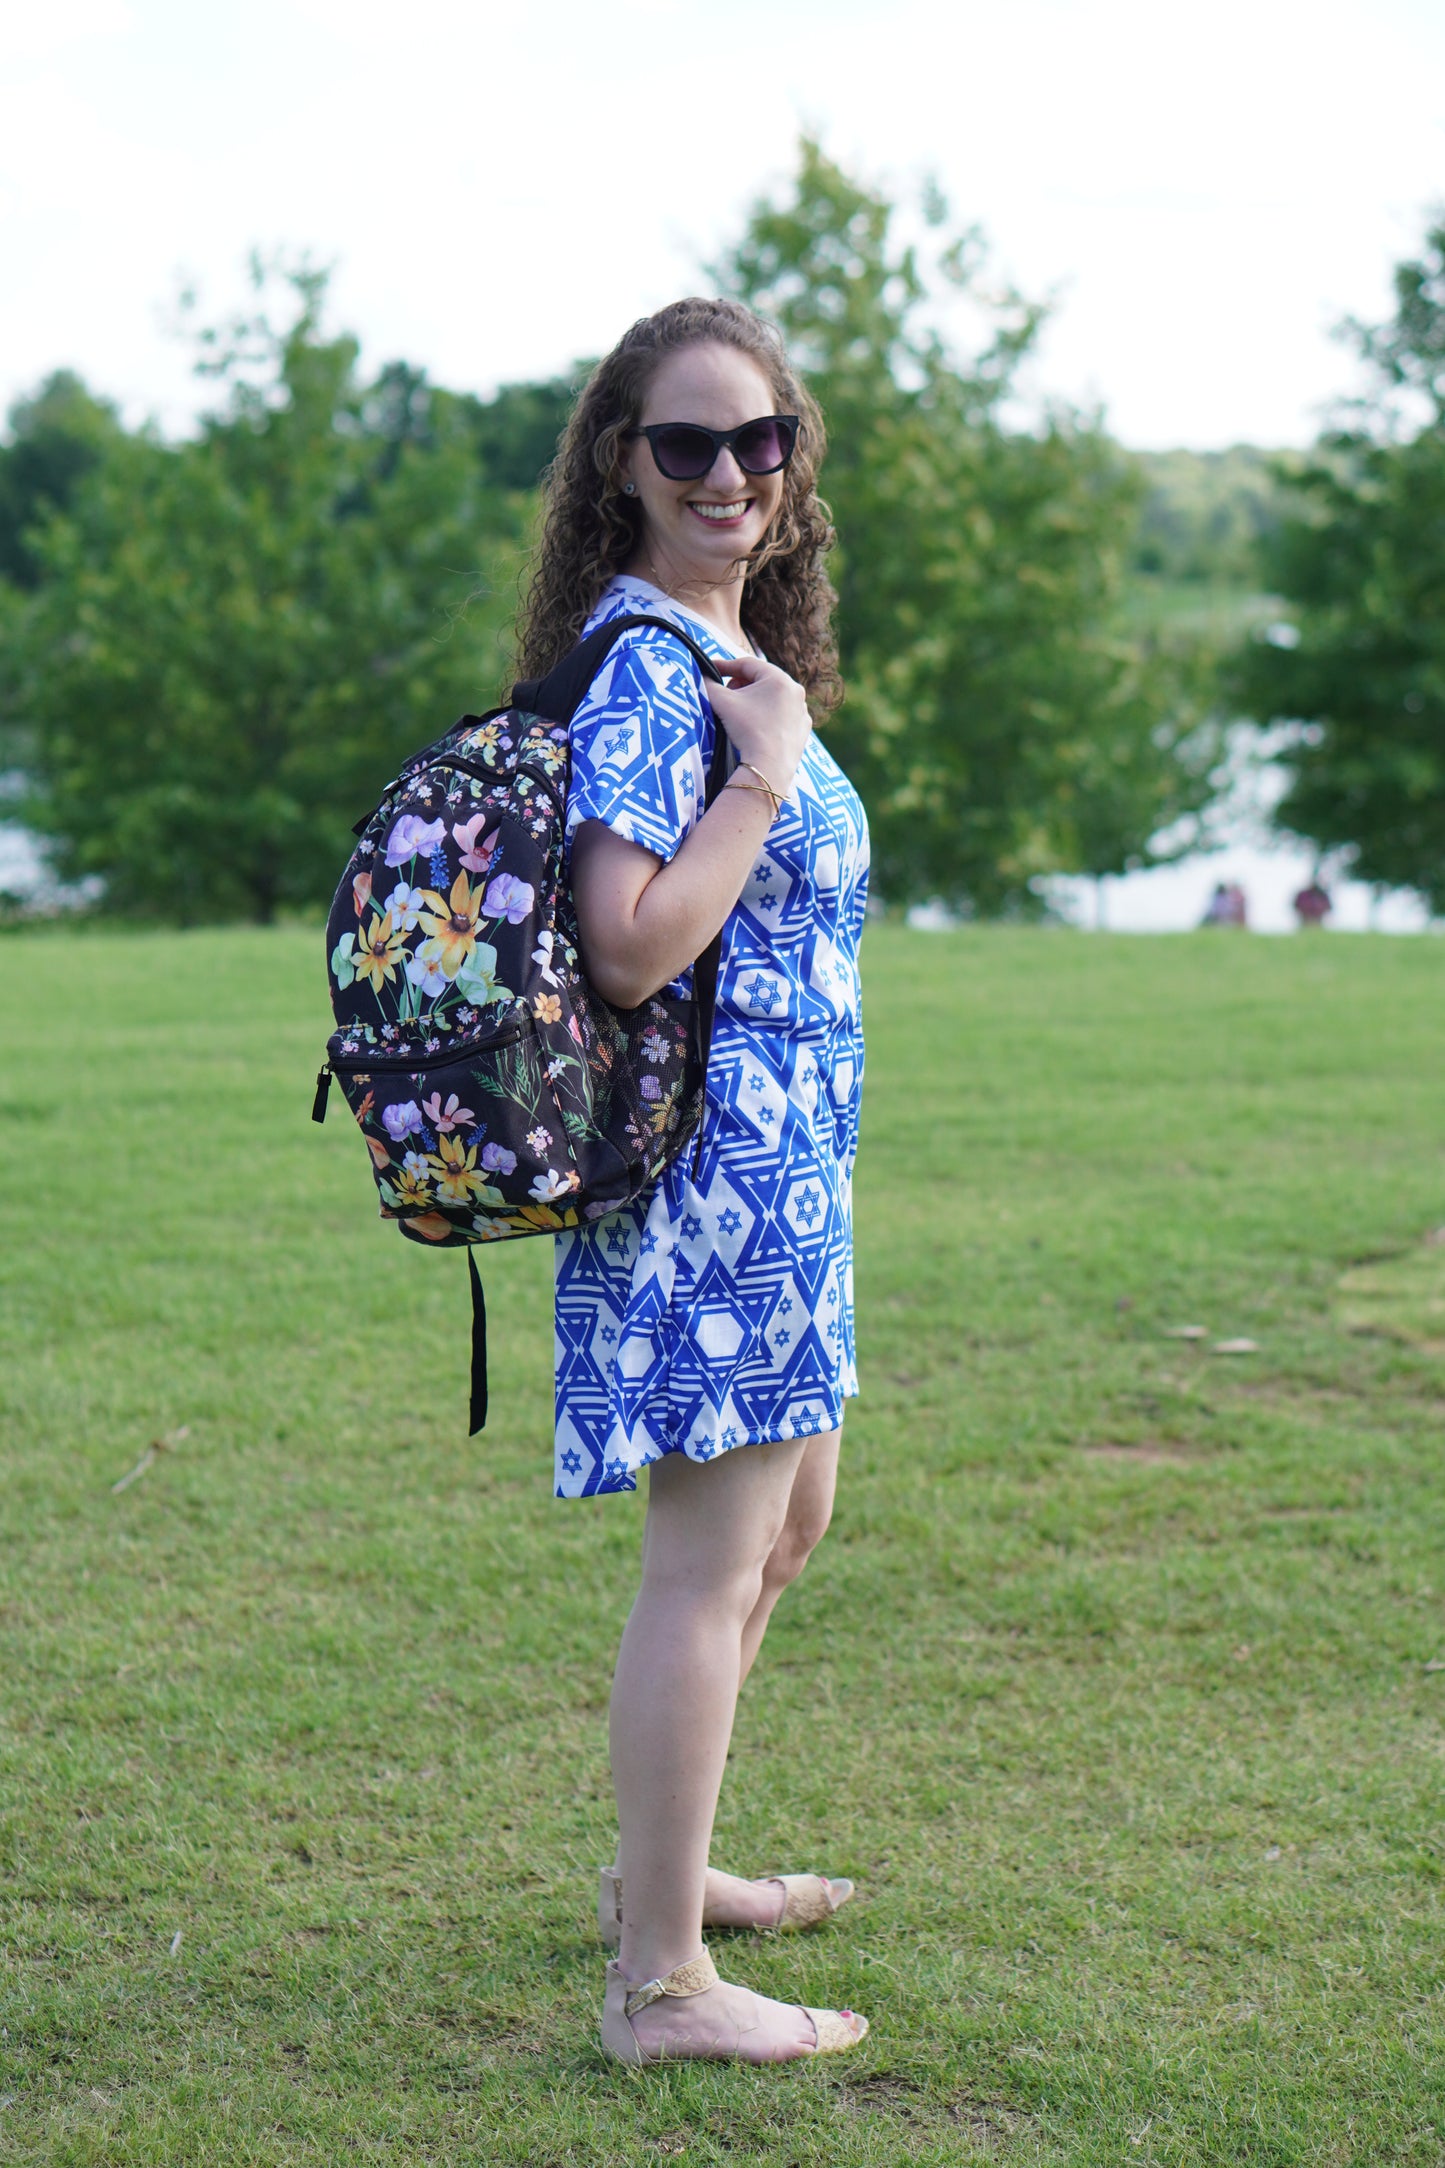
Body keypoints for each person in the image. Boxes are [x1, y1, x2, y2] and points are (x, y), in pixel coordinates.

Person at [511, 298, 871, 2067]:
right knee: (707, 1560)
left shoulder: (718, 661)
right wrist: (768, 780)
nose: (726, 474)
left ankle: (673, 1866)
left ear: (792, 465)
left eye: (757, 442)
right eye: (683, 445)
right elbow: (632, 945)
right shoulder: (655, 675)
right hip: (711, 1196)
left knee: (780, 1535)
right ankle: (659, 1982)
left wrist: (772, 744)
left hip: (788, 1184)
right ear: (619, 466)